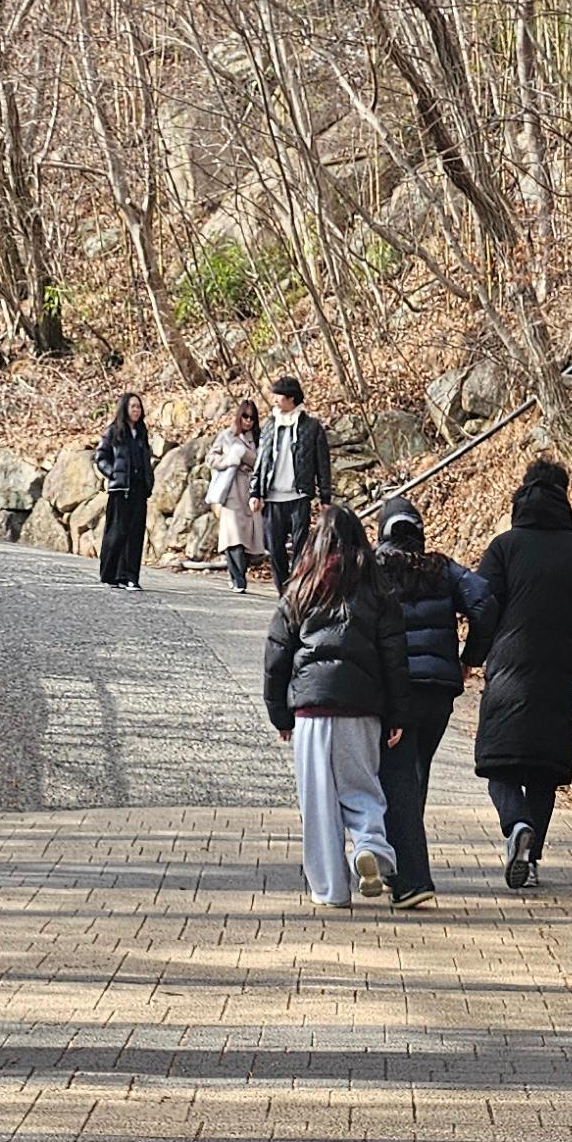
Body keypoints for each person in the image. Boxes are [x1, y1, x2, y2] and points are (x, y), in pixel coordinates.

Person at [466, 453, 572, 891]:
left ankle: (515, 826)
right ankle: (530, 861)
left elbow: (483, 607)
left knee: (499, 766)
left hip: (509, 671)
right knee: (544, 772)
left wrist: (471, 657)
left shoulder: (504, 547)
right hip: (559, 674)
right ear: (564, 499)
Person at [262, 502, 408, 905]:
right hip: (362, 708)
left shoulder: (301, 587)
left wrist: (280, 712)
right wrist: (397, 714)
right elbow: (395, 659)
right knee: (361, 788)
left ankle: (329, 889)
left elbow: (276, 655)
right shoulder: (378, 590)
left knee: (318, 802)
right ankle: (370, 847)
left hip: (310, 709)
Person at [373, 501, 489, 908]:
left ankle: (410, 876)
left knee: (396, 775)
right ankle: (402, 861)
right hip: (439, 689)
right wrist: (470, 657)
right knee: (414, 771)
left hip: (396, 689)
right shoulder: (441, 568)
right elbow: (484, 600)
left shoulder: (375, 567)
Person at [255, 374, 333, 592]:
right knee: (274, 548)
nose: (275, 400)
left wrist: (325, 497)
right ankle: (283, 592)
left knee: (300, 549)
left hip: (299, 496)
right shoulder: (269, 425)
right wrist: (255, 492)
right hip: (272, 498)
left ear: (291, 398)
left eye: (278, 396)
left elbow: (322, 464)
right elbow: (261, 461)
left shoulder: (312, 427)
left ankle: (297, 591)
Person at [94, 393, 155, 589]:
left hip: (138, 489)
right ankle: (110, 573)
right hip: (120, 489)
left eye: (139, 407)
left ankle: (130, 576)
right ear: (124, 409)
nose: (136, 410)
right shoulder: (113, 431)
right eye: (133, 407)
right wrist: (113, 474)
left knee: (135, 534)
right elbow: (101, 457)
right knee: (117, 533)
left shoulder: (142, 432)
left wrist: (148, 481)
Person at [205, 394, 265, 592]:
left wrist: (245, 456)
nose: (248, 421)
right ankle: (238, 579)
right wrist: (228, 460)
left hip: (251, 488)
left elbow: (262, 463)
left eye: (252, 418)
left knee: (250, 537)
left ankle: (237, 574)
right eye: (245, 417)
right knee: (233, 536)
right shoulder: (226, 436)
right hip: (231, 489)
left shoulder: (259, 438)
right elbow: (211, 458)